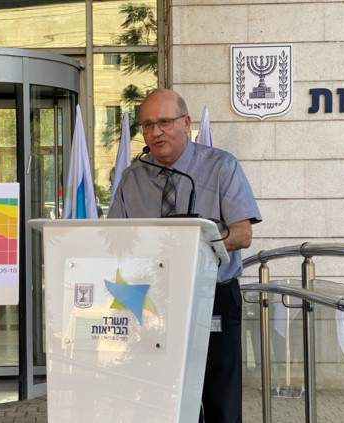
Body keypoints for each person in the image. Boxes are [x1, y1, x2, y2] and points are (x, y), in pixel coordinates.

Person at [108, 88, 261, 423]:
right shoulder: (132, 178)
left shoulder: (221, 166)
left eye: (165, 122)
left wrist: (194, 242)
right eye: (148, 125)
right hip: (151, 302)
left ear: (186, 122)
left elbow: (242, 234)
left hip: (212, 297)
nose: (156, 132)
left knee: (219, 402)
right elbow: (115, 241)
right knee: (160, 401)